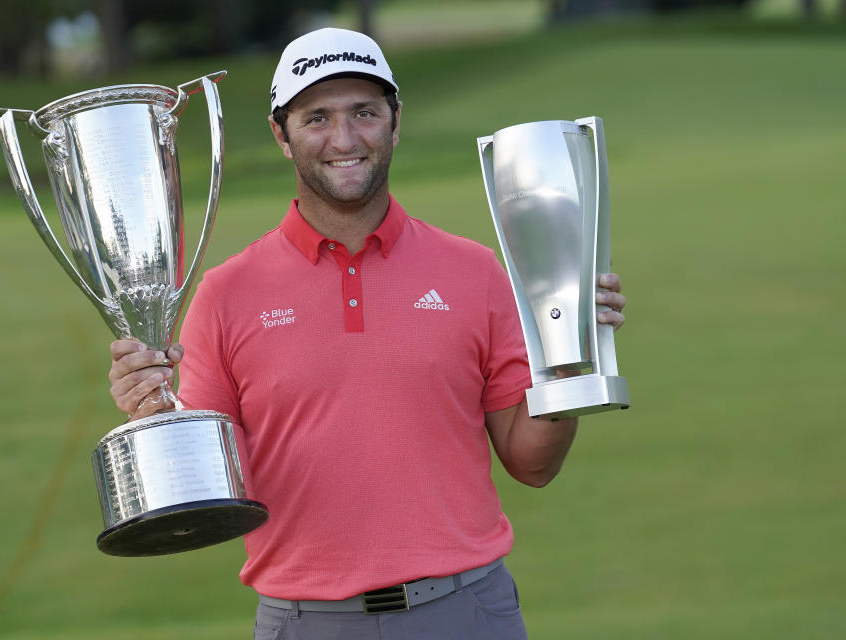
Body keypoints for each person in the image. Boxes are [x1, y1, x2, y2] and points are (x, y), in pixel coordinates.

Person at [108, 27, 627, 640]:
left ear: (396, 121)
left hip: (466, 611)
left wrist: (568, 359)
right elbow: (216, 487)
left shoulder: (475, 270)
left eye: (364, 112)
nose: (345, 139)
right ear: (281, 133)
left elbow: (532, 464)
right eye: (317, 118)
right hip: (305, 622)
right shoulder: (225, 295)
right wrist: (154, 414)